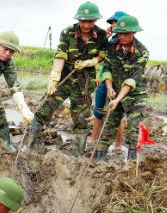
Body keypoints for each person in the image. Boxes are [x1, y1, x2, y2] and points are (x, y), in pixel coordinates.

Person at [24, 1, 108, 156]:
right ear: (78, 19)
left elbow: (102, 55)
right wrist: (54, 77)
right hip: (65, 78)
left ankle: (79, 156)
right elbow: (61, 55)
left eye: (90, 21)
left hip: (84, 82)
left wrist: (92, 61)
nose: (86, 25)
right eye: (83, 21)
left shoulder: (102, 35)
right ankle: (28, 146)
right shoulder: (67, 32)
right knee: (44, 109)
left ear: (95, 20)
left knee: (81, 119)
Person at [96, 15, 149, 162]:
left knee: (133, 127)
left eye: (126, 33)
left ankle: (131, 164)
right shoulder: (112, 47)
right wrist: (109, 87)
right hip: (115, 89)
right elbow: (106, 69)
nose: (122, 36)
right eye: (119, 33)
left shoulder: (142, 52)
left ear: (134, 33)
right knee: (108, 124)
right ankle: (98, 160)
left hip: (135, 94)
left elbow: (132, 80)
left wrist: (118, 99)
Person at [90, 11, 128, 152]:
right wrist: (105, 36)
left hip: (119, 84)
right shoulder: (110, 41)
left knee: (117, 116)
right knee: (98, 112)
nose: (113, 25)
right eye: (112, 23)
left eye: (116, 22)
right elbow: (96, 51)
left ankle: (117, 145)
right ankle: (93, 141)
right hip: (104, 80)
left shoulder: (128, 44)